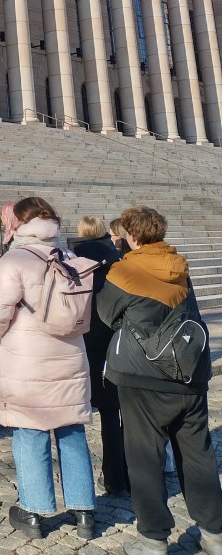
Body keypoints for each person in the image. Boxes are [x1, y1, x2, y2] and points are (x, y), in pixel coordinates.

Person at [97, 205, 222, 555]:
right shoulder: (179, 265)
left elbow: (106, 315)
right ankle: (214, 534)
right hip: (189, 370)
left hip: (143, 376)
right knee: (198, 454)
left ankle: (153, 540)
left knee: (144, 458)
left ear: (132, 236)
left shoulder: (124, 270)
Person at [0, 195, 96, 541]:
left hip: (27, 355)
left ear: (19, 223)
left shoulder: (14, 259)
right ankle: (84, 512)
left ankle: (33, 511)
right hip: (70, 353)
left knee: (30, 431)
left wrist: (4, 338)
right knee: (71, 429)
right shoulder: (70, 256)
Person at [69, 215, 128, 497]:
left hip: (83, 341)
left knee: (76, 416)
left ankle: (83, 488)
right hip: (114, 339)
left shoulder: (74, 259)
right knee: (115, 412)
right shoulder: (115, 257)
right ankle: (119, 477)